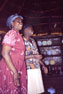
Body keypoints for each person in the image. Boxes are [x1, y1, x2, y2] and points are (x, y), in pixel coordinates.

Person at [0, 14, 27, 94]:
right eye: (18, 21)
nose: (21, 23)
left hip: (17, 66)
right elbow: (4, 53)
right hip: (10, 67)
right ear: (12, 23)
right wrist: (15, 72)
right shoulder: (11, 33)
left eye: (21, 21)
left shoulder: (18, 35)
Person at [23, 24, 48, 94]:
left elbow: (36, 55)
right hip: (28, 69)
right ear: (26, 30)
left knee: (38, 90)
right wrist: (33, 56)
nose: (33, 31)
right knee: (30, 91)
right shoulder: (21, 41)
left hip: (37, 68)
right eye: (31, 29)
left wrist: (43, 65)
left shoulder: (33, 40)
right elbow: (19, 58)